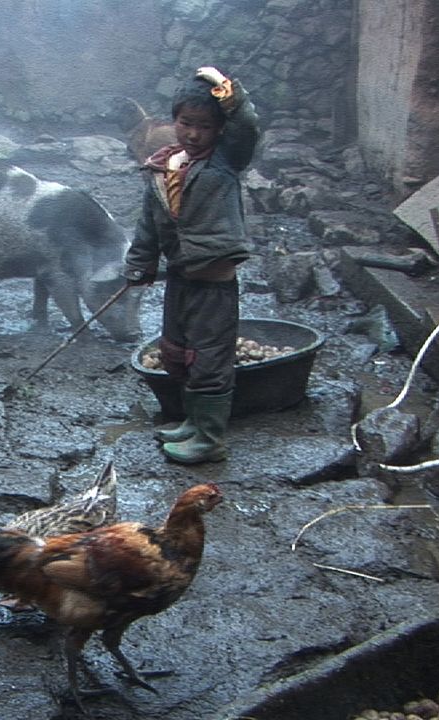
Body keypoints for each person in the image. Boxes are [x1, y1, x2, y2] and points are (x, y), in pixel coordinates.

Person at [123, 65, 260, 464]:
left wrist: (228, 93)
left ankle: (211, 439)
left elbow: (246, 125)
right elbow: (149, 223)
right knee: (176, 351)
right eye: (186, 123)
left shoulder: (225, 161)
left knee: (209, 360)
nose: (194, 134)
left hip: (214, 280)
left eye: (204, 126)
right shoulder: (164, 166)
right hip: (181, 277)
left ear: (219, 130)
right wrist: (140, 265)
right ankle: (192, 422)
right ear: (174, 121)